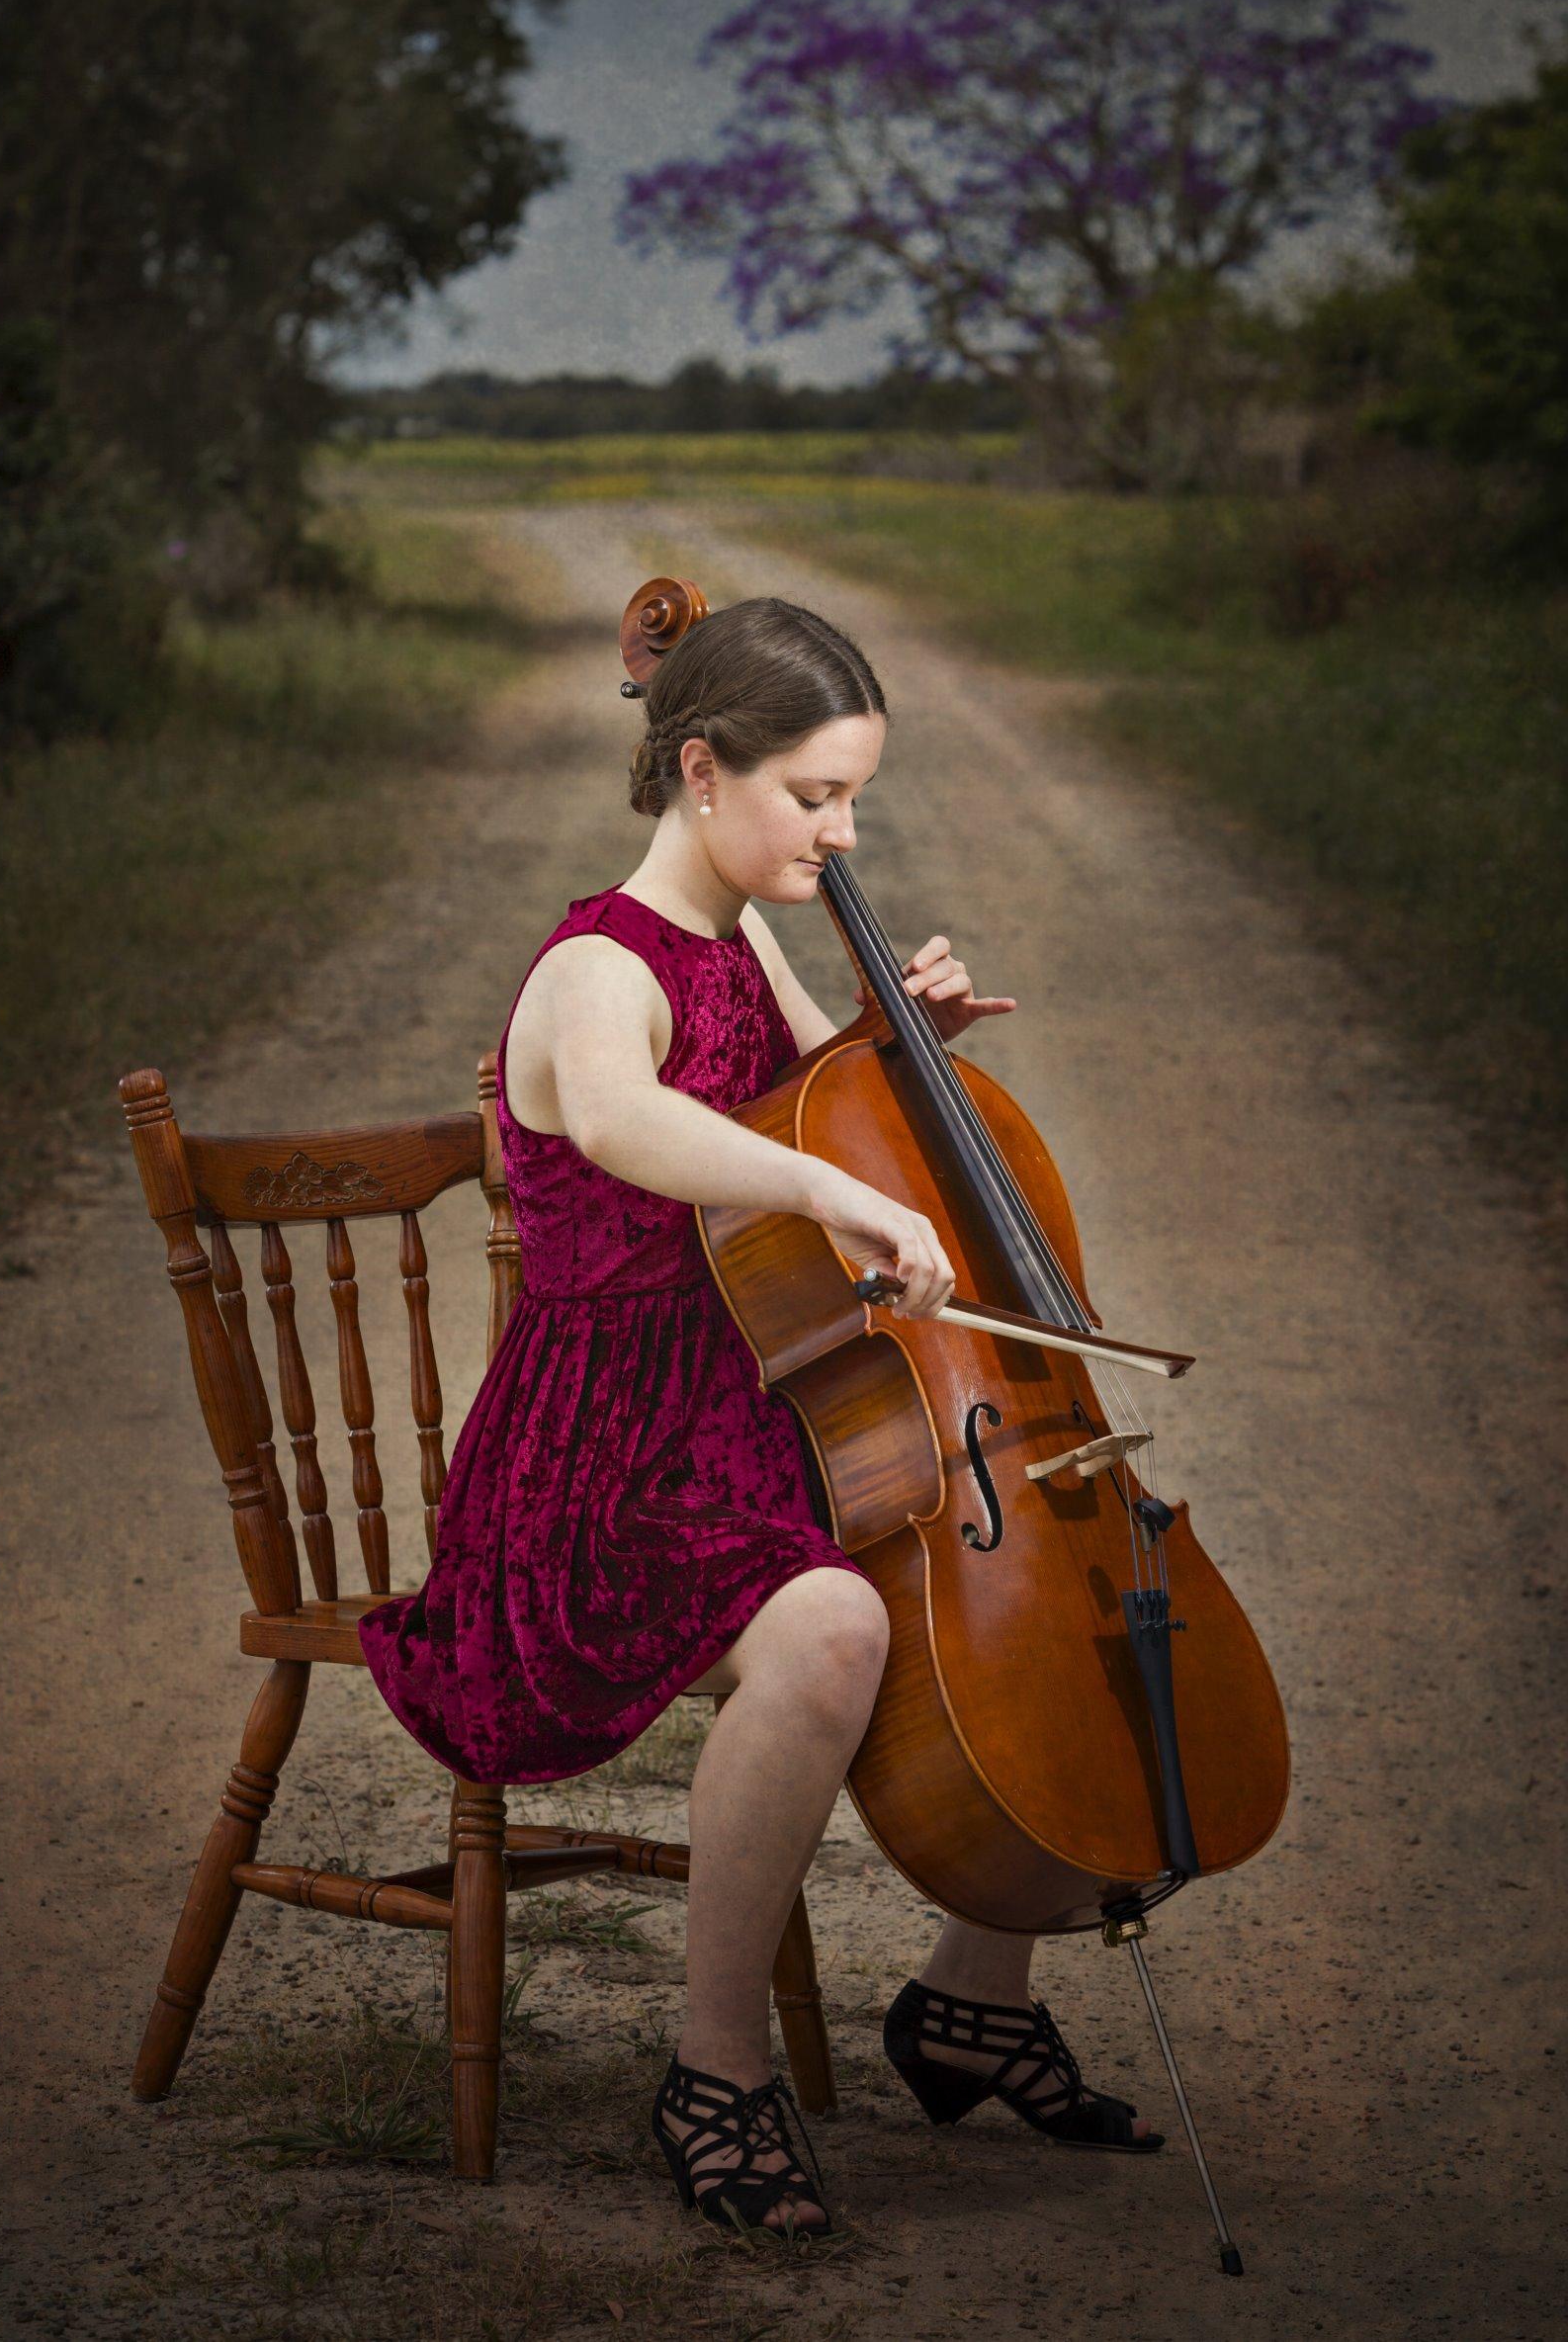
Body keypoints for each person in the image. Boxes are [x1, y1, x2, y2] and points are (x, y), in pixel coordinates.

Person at [359, 594, 1159, 2238]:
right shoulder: (594, 966)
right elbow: (631, 1120)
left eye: (854, 796)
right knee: (828, 1635)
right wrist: (816, 1182)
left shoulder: (745, 936)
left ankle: (973, 1998)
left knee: (1009, 1612)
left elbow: (824, 1106)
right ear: (701, 770)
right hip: (590, 1476)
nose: (843, 832)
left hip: (743, 1428)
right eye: (814, 796)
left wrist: (895, 1047)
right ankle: (713, 2070)